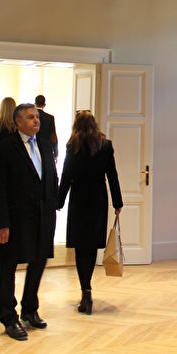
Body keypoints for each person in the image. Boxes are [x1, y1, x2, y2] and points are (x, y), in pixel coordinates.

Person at [0, 103, 58, 340]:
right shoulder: (5, 148)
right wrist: (1, 223)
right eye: (30, 117)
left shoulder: (45, 146)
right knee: (8, 266)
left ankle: (29, 308)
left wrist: (53, 206)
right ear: (18, 122)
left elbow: (51, 178)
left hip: (43, 217)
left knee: (39, 262)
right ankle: (9, 318)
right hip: (15, 219)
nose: (36, 121)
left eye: (36, 117)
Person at [57, 110, 123, 315]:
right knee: (92, 245)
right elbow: (112, 175)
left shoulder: (72, 146)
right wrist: (118, 202)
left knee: (80, 247)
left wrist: (59, 201)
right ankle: (87, 289)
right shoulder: (105, 145)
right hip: (98, 199)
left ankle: (85, 289)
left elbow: (66, 176)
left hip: (79, 199)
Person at [35, 94, 58, 160]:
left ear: (35, 104)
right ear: (44, 105)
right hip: (46, 150)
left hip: (33, 148)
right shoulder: (50, 118)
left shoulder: (31, 117)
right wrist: (55, 153)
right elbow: (53, 136)